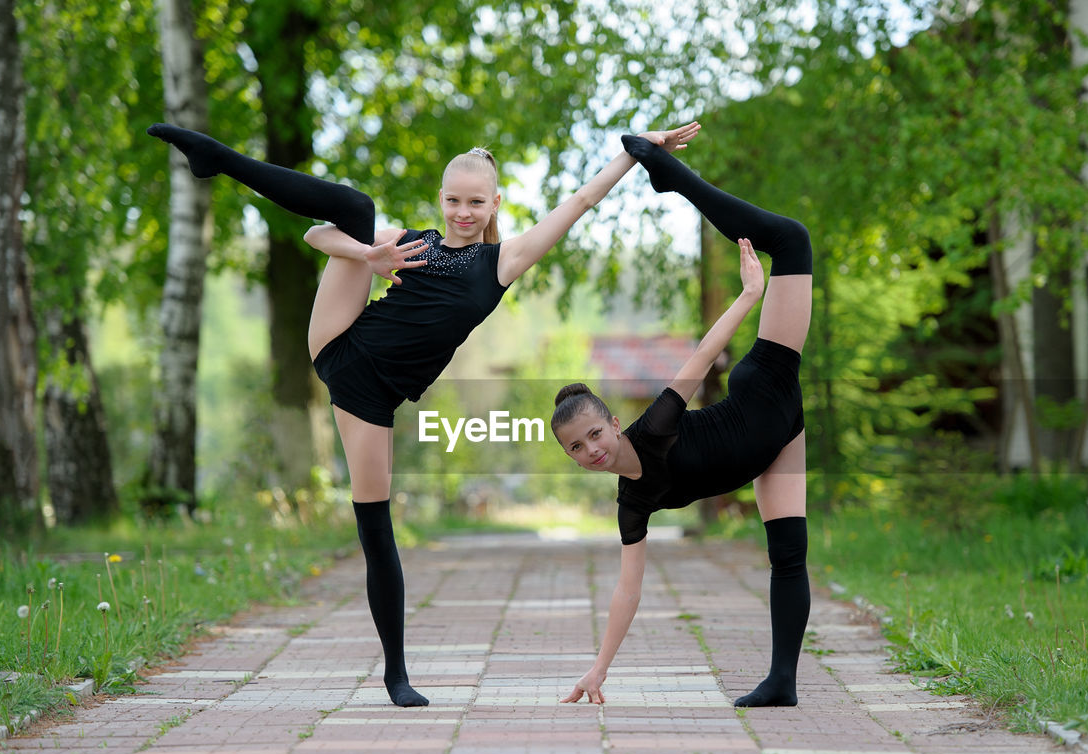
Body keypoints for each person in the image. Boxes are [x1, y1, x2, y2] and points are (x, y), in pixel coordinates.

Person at [148, 120, 701, 707]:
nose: (463, 212)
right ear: (442, 199)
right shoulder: (418, 242)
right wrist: (372, 254)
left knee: (376, 527)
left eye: (475, 202)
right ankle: (216, 156)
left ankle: (395, 675)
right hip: (341, 340)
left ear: (494, 204)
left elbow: (582, 201)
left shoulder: (501, 262)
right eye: (453, 200)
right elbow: (316, 236)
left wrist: (635, 154)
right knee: (354, 207)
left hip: (370, 396)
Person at [551, 135, 812, 707]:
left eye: (595, 433)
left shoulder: (658, 424)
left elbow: (699, 358)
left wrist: (748, 297)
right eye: (577, 447)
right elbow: (627, 590)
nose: (592, 449)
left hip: (766, 390)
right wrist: (598, 670)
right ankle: (783, 684)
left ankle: (674, 177)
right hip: (778, 441)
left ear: (615, 424)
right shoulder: (631, 504)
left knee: (792, 240)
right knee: (788, 554)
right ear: (572, 458)